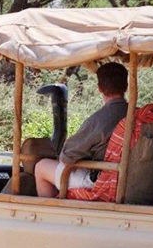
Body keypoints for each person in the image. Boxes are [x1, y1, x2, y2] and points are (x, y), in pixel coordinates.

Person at [35, 62, 128, 197]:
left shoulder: (99, 120)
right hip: (127, 177)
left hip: (101, 179)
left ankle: (48, 214)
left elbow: (67, 156)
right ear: (125, 86)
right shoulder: (135, 114)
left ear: (99, 88)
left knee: (41, 167)